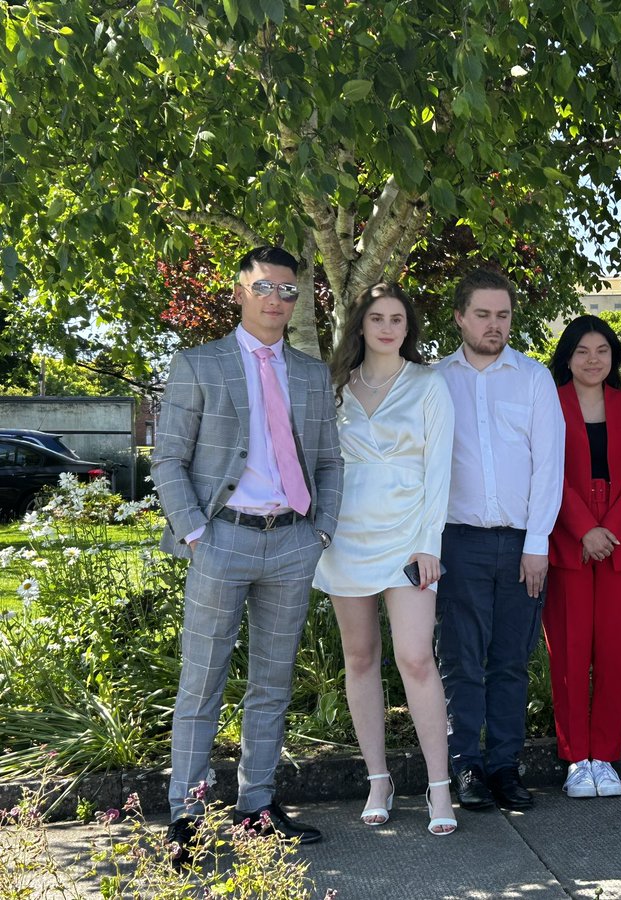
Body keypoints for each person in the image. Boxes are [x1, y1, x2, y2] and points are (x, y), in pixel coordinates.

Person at [152, 247, 344, 866]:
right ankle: (187, 815)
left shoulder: (312, 374)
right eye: (264, 287)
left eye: (288, 292)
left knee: (272, 684)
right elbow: (168, 461)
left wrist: (319, 532)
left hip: (292, 540)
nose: (276, 300)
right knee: (201, 680)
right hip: (221, 539)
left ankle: (255, 806)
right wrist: (194, 534)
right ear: (240, 293)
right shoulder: (199, 364)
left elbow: (329, 463)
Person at [313, 282, 457, 834]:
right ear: (361, 325)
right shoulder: (334, 388)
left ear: (408, 327)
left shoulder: (429, 384)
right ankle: (379, 778)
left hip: (408, 539)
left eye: (398, 318)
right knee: (360, 658)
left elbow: (439, 471)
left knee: (417, 658)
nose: (388, 327)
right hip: (346, 537)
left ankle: (438, 787)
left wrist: (430, 542)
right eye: (378, 317)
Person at [433, 268, 566, 811]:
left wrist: (538, 543)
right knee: (460, 660)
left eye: (503, 315)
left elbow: (549, 466)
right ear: (461, 317)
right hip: (455, 541)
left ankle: (506, 767)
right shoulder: (433, 380)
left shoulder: (533, 379)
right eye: (483, 314)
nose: (495, 325)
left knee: (511, 660)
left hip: (520, 546)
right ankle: (465, 766)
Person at [545, 315, 621, 799]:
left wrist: (610, 529)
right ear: (568, 356)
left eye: (603, 351)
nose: (593, 360)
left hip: (620, 538)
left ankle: (605, 757)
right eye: (583, 351)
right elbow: (545, 471)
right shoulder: (550, 401)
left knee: (613, 652)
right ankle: (574, 759)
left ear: (614, 358)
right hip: (569, 538)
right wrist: (585, 528)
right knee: (568, 654)